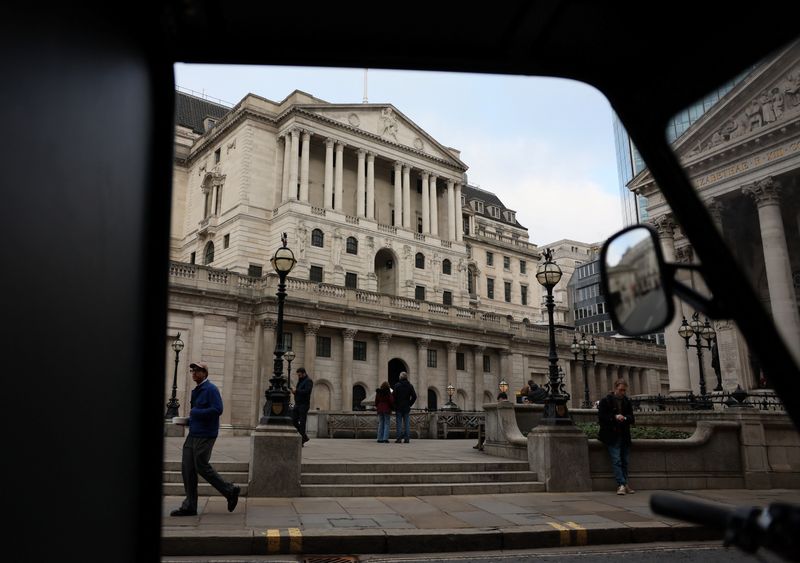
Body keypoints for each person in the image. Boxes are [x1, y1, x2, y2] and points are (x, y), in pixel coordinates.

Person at [171, 361, 240, 517]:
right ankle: (190, 506)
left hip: (206, 434)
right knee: (187, 468)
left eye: (197, 370)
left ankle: (230, 491)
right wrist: (187, 420)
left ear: (205, 373)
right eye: (192, 370)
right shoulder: (197, 390)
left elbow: (217, 409)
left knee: (201, 465)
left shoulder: (211, 389)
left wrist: (195, 413)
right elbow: (198, 412)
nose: (194, 373)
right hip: (193, 433)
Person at [598, 378, 636, 495]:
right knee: (617, 461)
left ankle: (624, 484)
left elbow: (632, 418)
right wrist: (614, 417)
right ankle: (621, 484)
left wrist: (624, 418)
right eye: (620, 390)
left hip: (624, 436)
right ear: (615, 389)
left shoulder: (626, 402)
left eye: (624, 390)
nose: (622, 393)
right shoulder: (605, 401)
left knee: (624, 461)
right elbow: (601, 417)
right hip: (612, 436)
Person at [291, 367, 313, 444]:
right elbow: (299, 391)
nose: (298, 376)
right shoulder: (300, 381)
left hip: (304, 405)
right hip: (297, 404)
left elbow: (307, 391)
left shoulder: (308, 381)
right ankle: (304, 436)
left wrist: (297, 391)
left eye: (299, 375)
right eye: (298, 375)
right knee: (293, 420)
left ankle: (302, 440)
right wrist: (294, 392)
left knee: (302, 422)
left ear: (304, 373)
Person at [392, 371, 417, 443]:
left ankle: (399, 439)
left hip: (398, 407)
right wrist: (409, 404)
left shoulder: (397, 385)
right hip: (406, 407)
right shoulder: (410, 385)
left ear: (400, 377)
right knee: (407, 423)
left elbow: (393, 397)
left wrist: (394, 405)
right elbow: (414, 396)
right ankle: (407, 438)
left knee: (399, 423)